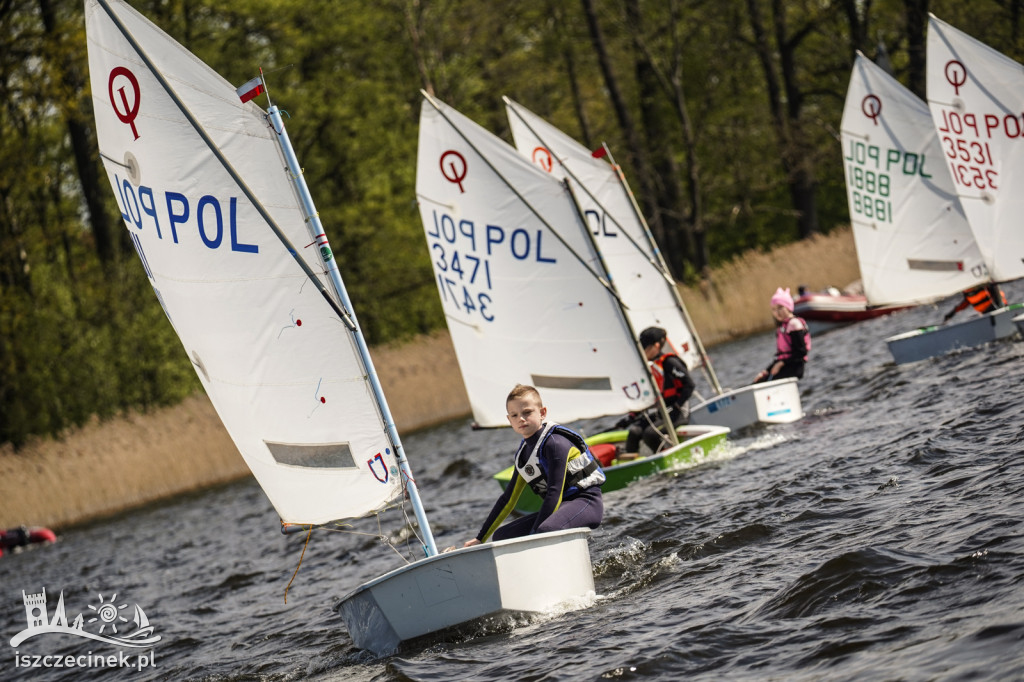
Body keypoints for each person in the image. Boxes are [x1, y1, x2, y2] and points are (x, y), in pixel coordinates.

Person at [455, 384, 605, 549]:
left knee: (545, 530)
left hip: (586, 503)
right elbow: (508, 499)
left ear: (542, 413)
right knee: (502, 536)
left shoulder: (555, 443)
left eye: (527, 412)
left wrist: (535, 535)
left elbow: (554, 492)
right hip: (561, 508)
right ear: (509, 420)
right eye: (515, 415)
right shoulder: (524, 455)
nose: (521, 418)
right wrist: (480, 538)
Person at [617, 326, 695, 459]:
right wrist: (631, 417)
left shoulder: (670, 363)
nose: (643, 352)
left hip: (679, 413)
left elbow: (690, 385)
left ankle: (666, 458)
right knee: (634, 432)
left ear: (657, 346)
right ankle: (632, 463)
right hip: (661, 414)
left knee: (650, 433)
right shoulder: (649, 367)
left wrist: (677, 405)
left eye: (646, 348)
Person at [754, 287, 811, 384]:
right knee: (759, 381)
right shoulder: (782, 327)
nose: (777, 312)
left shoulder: (794, 324)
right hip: (785, 365)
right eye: (774, 309)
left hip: (795, 368)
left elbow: (801, 352)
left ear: (788, 308)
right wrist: (766, 371)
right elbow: (781, 356)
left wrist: (781, 364)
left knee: (764, 383)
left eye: (780, 308)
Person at [942, 283, 1007, 322]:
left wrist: (996, 308)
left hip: (999, 308)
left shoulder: (985, 286)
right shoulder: (968, 294)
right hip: (986, 315)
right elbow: (963, 305)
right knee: (971, 318)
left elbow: (997, 295)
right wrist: (951, 314)